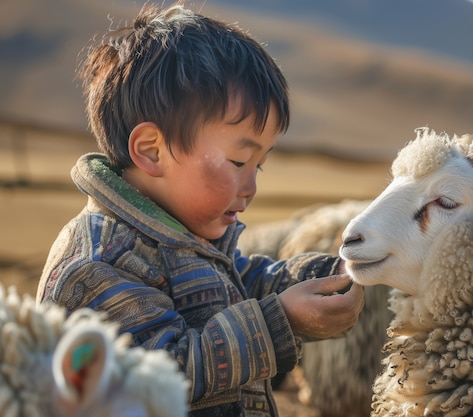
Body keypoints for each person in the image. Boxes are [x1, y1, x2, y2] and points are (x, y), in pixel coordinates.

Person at [36, 2, 364, 416]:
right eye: (238, 162)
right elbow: (162, 375)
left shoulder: (187, 237)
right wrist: (278, 321)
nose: (252, 187)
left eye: (259, 165)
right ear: (152, 152)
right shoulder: (98, 265)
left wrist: (321, 277)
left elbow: (243, 286)